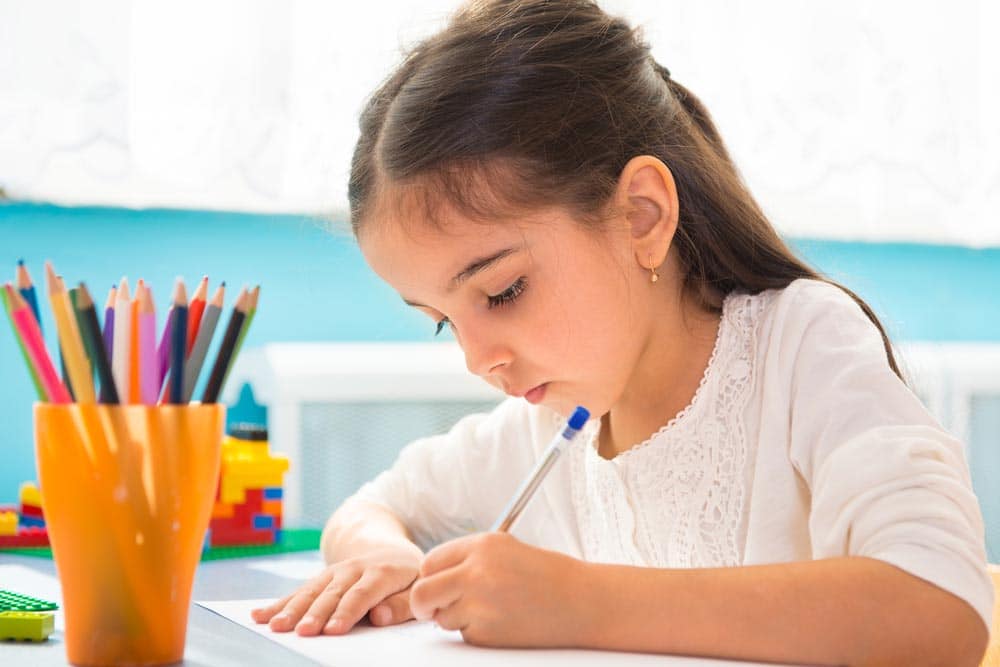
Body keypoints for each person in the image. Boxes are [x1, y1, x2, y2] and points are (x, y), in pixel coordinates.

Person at [251, 1, 992, 663]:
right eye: (444, 323)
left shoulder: (802, 348)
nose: (480, 358)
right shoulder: (545, 428)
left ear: (641, 216)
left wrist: (580, 601)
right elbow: (376, 503)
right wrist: (380, 553)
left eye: (503, 291)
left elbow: (944, 609)